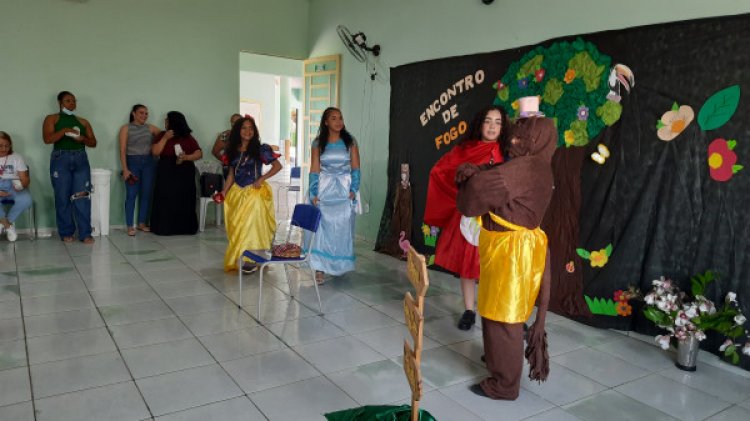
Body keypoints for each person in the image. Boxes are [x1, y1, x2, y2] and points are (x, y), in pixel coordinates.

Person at [456, 113, 557, 400]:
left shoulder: (528, 167)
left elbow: (478, 192)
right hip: (508, 250)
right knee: (497, 309)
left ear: (536, 140)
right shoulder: (536, 164)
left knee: (504, 316)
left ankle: (505, 384)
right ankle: (499, 358)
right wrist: (478, 173)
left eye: (520, 136)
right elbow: (495, 177)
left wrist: (469, 180)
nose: (512, 139)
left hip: (511, 252)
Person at [423, 105, 509, 330]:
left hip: (498, 220)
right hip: (470, 219)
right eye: (488, 121)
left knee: (496, 270)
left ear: (503, 127)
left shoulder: (508, 152)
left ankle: (497, 312)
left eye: (497, 122)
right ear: (480, 124)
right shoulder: (465, 149)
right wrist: (461, 194)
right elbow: (440, 171)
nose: (492, 126)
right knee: (468, 267)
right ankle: (470, 310)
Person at [220, 116, 282, 272]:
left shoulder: (261, 149)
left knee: (253, 225)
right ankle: (244, 255)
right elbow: (231, 175)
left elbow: (277, 166)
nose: (248, 131)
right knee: (239, 226)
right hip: (237, 193)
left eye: (251, 128)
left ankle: (253, 259)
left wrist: (262, 178)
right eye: (244, 128)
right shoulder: (232, 151)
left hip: (255, 193)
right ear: (237, 131)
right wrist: (224, 192)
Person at [308, 107, 361, 284]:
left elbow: (355, 168)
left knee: (342, 228)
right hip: (325, 189)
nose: (338, 122)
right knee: (322, 228)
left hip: (345, 190)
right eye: (333, 118)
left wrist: (354, 189)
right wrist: (313, 192)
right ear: (326, 122)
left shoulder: (350, 141)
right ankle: (320, 268)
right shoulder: (317, 143)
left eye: (340, 118)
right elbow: (315, 168)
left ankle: (338, 265)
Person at [42, 91, 97, 244]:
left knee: (82, 196)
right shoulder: (52, 118)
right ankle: (66, 232)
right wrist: (64, 131)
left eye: (74, 101)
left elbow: (93, 142)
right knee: (62, 196)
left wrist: (82, 139)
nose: (72, 103)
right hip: (60, 159)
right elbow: (47, 139)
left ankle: (85, 233)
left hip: (80, 158)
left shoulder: (83, 121)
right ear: (60, 103)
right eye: (68, 101)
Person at [150, 111, 202, 235]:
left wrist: (187, 157)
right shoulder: (162, 135)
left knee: (184, 198)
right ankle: (164, 228)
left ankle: (185, 228)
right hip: (167, 170)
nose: (165, 122)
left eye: (167, 120)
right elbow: (155, 152)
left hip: (185, 171)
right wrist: (165, 138)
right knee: (165, 198)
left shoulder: (188, 137)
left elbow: (199, 153)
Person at [118, 104, 161, 236]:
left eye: (146, 113)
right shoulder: (126, 128)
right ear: (134, 113)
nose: (144, 116)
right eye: (141, 113)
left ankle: (142, 223)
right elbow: (123, 150)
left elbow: (164, 137)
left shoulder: (151, 128)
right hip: (132, 163)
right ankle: (130, 225)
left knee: (146, 194)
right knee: (131, 195)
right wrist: (125, 169)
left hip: (149, 163)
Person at [0, 132, 32, 242]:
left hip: (13, 184)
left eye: (7, 145)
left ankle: (3, 223)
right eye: (0, 145)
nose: (4, 148)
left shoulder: (16, 157)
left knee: (26, 199)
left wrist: (22, 184)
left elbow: (25, 179)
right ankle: (8, 226)